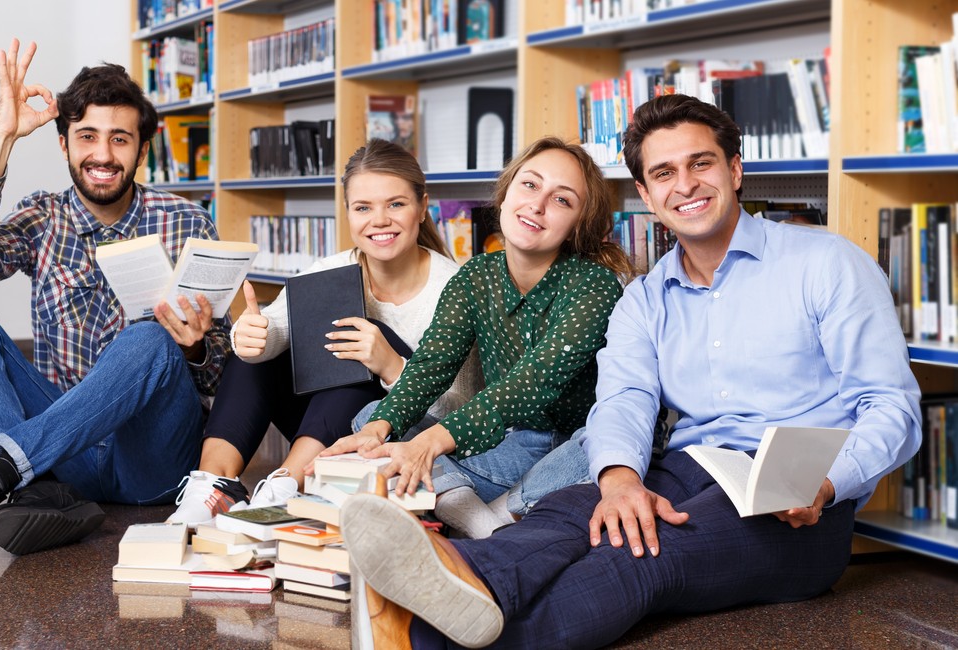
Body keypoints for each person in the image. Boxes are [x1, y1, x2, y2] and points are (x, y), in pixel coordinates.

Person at [339, 93, 923, 649]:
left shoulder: (826, 263)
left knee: (638, 555)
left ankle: (415, 638)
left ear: (735, 170)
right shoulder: (645, 297)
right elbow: (624, 399)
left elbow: (893, 407)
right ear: (646, 193)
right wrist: (619, 480)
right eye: (664, 173)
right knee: (568, 516)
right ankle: (427, 589)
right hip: (689, 467)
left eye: (702, 164)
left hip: (796, 504)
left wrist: (826, 479)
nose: (686, 184)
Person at [0, 39, 229, 563]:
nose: (104, 155)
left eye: (120, 139)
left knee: (150, 338)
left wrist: (197, 348)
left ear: (142, 148)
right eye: (87, 137)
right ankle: (34, 488)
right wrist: (1, 137)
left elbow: (224, 382)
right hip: (69, 457)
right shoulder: (43, 216)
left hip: (151, 462)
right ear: (64, 144)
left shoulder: (189, 223)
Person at [323, 136, 635, 540]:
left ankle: (481, 519)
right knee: (371, 416)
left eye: (562, 200)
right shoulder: (474, 276)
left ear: (578, 222)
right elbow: (430, 367)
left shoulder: (594, 286)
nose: (537, 205)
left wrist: (432, 443)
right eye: (529, 185)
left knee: (604, 443)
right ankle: (483, 519)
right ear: (504, 196)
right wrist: (379, 428)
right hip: (500, 444)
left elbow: (531, 385)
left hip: (565, 448)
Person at [167, 139, 480, 525]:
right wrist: (251, 336)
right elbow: (278, 328)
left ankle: (287, 486)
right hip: (329, 432)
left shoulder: (459, 289)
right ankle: (214, 488)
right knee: (262, 353)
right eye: (363, 207)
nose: (379, 220)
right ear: (348, 213)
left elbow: (464, 416)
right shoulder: (330, 270)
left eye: (395, 204)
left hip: (408, 441)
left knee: (366, 332)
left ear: (421, 208)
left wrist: (391, 366)